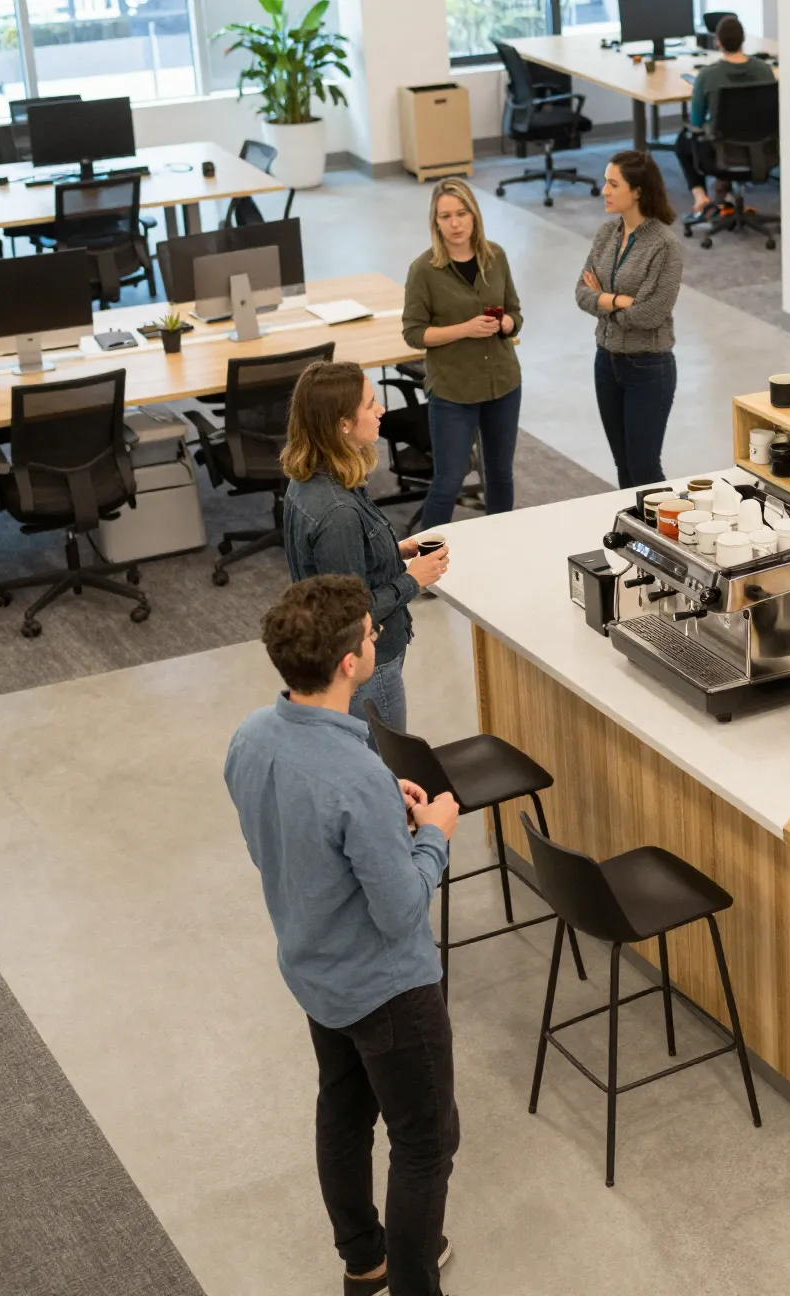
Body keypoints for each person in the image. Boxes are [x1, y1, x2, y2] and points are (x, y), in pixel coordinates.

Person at [225, 575, 464, 1296]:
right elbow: (399, 911)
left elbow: (294, 832)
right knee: (426, 1142)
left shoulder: (251, 738)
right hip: (388, 990)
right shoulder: (355, 778)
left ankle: (365, 1260)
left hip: (314, 971)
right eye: (368, 633)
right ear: (349, 664)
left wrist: (380, 808)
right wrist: (435, 836)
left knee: (344, 1106)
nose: (376, 635)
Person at [282, 360, 449, 736]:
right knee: (386, 770)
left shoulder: (312, 478)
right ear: (343, 423)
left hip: (344, 659)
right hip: (369, 663)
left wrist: (392, 550)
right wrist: (413, 580)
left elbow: (336, 574)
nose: (381, 410)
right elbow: (349, 613)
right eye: (370, 403)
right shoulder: (338, 510)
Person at [401, 177, 523, 530]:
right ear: (435, 222)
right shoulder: (423, 270)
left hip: (503, 382)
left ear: (474, 216)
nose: (455, 223)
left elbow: (515, 312)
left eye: (461, 213)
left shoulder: (495, 256)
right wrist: (464, 329)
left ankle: (499, 543)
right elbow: (413, 333)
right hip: (453, 390)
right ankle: (424, 564)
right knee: (448, 480)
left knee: (500, 475)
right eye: (445, 216)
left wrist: (506, 325)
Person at [576, 150, 684, 488]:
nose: (604, 191)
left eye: (612, 184)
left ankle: (666, 539)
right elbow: (582, 293)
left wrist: (603, 300)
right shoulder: (607, 233)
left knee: (645, 470)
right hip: (606, 363)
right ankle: (636, 541)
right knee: (624, 468)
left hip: (648, 368)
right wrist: (620, 300)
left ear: (637, 190)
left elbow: (651, 314)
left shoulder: (664, 245)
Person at [674, 14, 774, 217]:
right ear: (743, 40)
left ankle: (700, 195)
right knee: (730, 133)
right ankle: (724, 192)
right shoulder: (765, 71)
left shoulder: (708, 76)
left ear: (717, 42)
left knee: (683, 140)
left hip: (722, 156)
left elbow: (696, 122)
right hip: (762, 154)